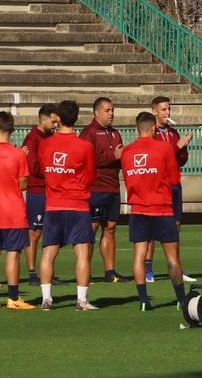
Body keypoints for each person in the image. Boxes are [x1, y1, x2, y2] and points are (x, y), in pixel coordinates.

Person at [120, 112, 187, 313]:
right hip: (163, 208)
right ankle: (181, 299)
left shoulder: (127, 152)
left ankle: (143, 300)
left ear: (136, 128)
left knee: (139, 255)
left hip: (138, 209)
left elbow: (127, 178)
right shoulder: (165, 148)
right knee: (172, 257)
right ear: (154, 128)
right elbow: (174, 179)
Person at [38, 100, 99, 310]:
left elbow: (45, 170)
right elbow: (91, 177)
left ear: (58, 118)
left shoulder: (46, 144)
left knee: (48, 253)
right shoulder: (84, 146)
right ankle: (81, 300)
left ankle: (46, 299)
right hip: (78, 205)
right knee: (82, 253)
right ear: (76, 117)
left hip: (54, 205)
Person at [0, 112, 36, 310]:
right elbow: (23, 184)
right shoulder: (17, 154)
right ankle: (13, 298)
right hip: (13, 211)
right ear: (11, 129)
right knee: (13, 254)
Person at [149, 96, 195, 283]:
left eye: (169, 109)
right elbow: (160, 157)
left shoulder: (173, 132)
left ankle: (176, 267)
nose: (167, 113)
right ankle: (147, 269)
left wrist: (184, 149)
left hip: (175, 184)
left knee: (175, 227)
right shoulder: (151, 133)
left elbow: (180, 160)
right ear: (154, 111)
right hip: (160, 186)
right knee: (152, 229)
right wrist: (177, 146)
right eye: (163, 110)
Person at [80, 97, 123, 282]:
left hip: (113, 187)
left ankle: (110, 272)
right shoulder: (88, 133)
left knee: (111, 228)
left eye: (112, 110)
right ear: (96, 113)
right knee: (91, 229)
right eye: (107, 110)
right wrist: (113, 155)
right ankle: (85, 272)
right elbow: (88, 159)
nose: (111, 113)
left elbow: (118, 158)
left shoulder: (115, 133)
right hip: (96, 188)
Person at [20, 104, 58, 285]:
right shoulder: (32, 139)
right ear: (43, 119)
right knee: (34, 232)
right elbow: (33, 168)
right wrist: (55, 170)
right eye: (53, 121)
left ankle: (48, 272)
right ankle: (32, 272)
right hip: (37, 191)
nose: (56, 125)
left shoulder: (51, 137)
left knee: (50, 232)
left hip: (51, 190)